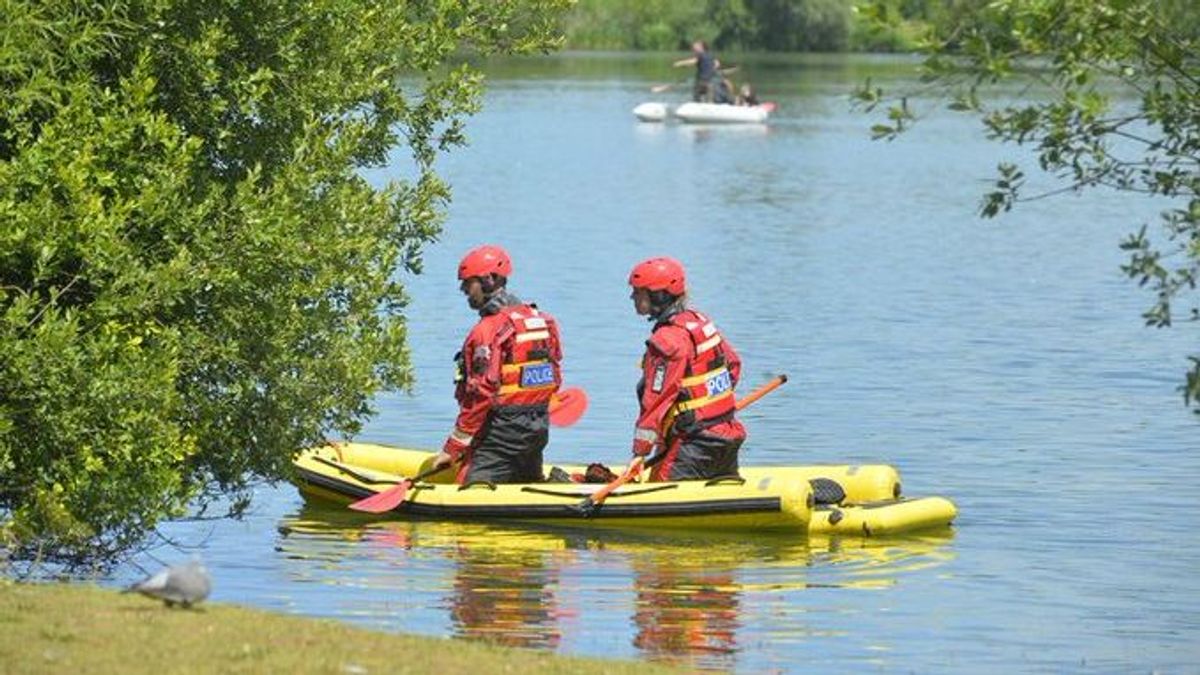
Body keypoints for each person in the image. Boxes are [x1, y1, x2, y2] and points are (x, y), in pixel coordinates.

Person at [432, 245, 563, 484]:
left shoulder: (487, 330)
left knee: (469, 487)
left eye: (468, 283)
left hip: (500, 435)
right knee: (527, 482)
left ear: (489, 280)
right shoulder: (541, 321)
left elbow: (481, 392)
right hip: (537, 430)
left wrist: (453, 448)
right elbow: (554, 378)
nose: (462, 289)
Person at [627, 257, 746, 482]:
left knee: (658, 494)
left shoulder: (667, 340)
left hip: (694, 445)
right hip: (727, 434)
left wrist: (640, 452)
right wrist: (715, 409)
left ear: (658, 295)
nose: (632, 297)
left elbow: (656, 399)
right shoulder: (699, 322)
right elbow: (733, 365)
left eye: (638, 292)